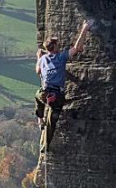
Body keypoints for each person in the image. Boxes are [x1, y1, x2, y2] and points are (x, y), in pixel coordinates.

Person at [36, 20, 90, 150]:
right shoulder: (60, 57)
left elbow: (38, 71)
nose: (59, 46)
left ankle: (40, 119)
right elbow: (76, 48)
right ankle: (45, 145)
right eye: (57, 45)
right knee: (52, 122)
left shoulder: (43, 59)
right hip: (57, 95)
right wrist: (84, 29)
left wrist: (39, 57)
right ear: (54, 47)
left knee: (38, 97)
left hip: (44, 92)